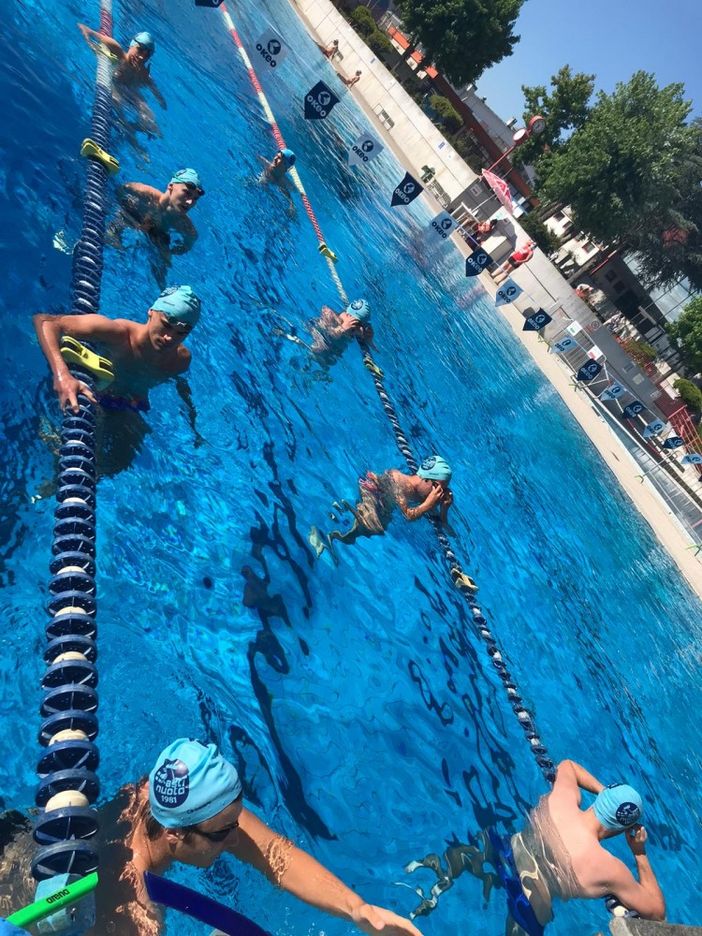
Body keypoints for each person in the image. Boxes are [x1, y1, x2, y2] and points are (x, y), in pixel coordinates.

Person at [0, 738, 425, 934]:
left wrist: (358, 909)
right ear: (175, 835)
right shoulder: (136, 916)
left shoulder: (155, 792)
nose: (236, 839)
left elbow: (275, 852)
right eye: (224, 832)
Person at [404, 760, 665, 934]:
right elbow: (656, 912)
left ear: (602, 799)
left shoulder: (561, 798)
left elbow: (568, 765)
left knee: (472, 856)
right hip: (529, 904)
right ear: (621, 828)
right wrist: (639, 852)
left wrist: (603, 792)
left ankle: (437, 873)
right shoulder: (608, 868)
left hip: (504, 854)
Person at [33, 286, 203, 472]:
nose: (169, 337)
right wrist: (62, 375)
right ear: (151, 312)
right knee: (83, 458)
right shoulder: (118, 334)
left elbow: (180, 383)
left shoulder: (180, 360)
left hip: (130, 406)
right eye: (166, 325)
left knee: (118, 465)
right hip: (95, 397)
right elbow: (46, 322)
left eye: (181, 333)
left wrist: (192, 420)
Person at [312, 455, 454, 555]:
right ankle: (325, 535)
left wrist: (444, 510)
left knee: (376, 528)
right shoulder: (400, 481)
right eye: (439, 488)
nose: (439, 494)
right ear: (428, 481)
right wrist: (428, 504)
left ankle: (334, 535)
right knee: (371, 526)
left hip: (383, 505)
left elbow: (448, 531)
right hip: (372, 493)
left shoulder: (423, 496)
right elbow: (408, 515)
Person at [107, 169, 204, 285]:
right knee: (112, 235)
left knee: (163, 267)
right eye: (187, 193)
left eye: (195, 199)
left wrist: (172, 251)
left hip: (159, 235)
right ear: (171, 186)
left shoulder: (185, 227)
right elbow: (119, 191)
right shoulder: (142, 193)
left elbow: (188, 243)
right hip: (133, 218)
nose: (190, 202)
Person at [77, 26, 165, 136]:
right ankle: (126, 127)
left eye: (147, 55)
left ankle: (135, 127)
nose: (142, 57)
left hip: (130, 92)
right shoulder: (118, 53)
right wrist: (89, 42)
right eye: (140, 50)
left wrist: (160, 99)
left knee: (149, 117)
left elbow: (158, 95)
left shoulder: (143, 74)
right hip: (114, 86)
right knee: (117, 101)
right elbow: (88, 30)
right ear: (132, 45)